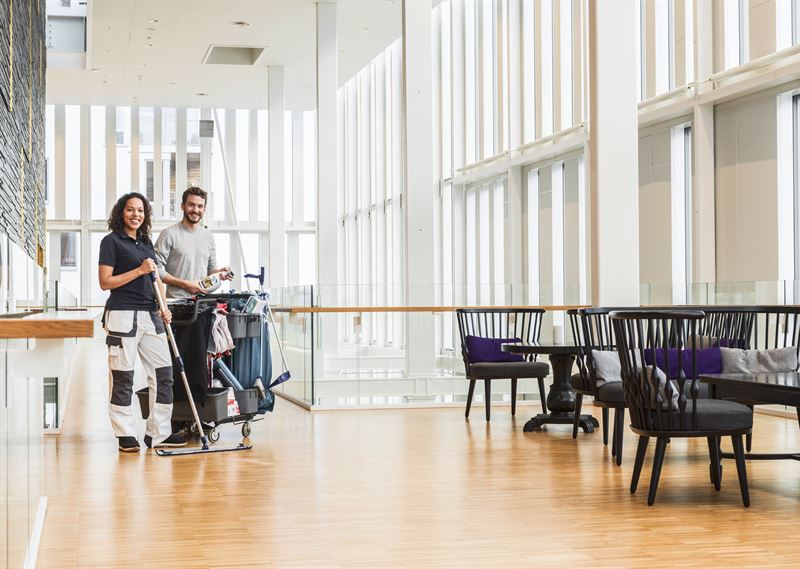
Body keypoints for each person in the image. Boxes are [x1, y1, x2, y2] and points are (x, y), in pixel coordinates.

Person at [98, 192, 187, 452]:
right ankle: (125, 434)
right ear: (121, 213)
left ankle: (158, 434)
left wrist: (164, 307)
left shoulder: (146, 243)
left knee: (164, 374)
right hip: (122, 315)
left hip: (151, 316)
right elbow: (105, 282)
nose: (135, 214)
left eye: (140, 210)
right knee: (123, 376)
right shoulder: (111, 242)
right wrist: (139, 270)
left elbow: (156, 279)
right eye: (130, 209)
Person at [154, 186, 233, 299]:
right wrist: (185, 284)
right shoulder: (169, 234)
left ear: (204, 209)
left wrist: (219, 272)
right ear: (182, 206)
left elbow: (211, 269)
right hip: (177, 303)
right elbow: (155, 269)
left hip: (203, 302)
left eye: (200, 206)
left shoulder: (208, 236)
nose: (195, 210)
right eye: (191, 205)